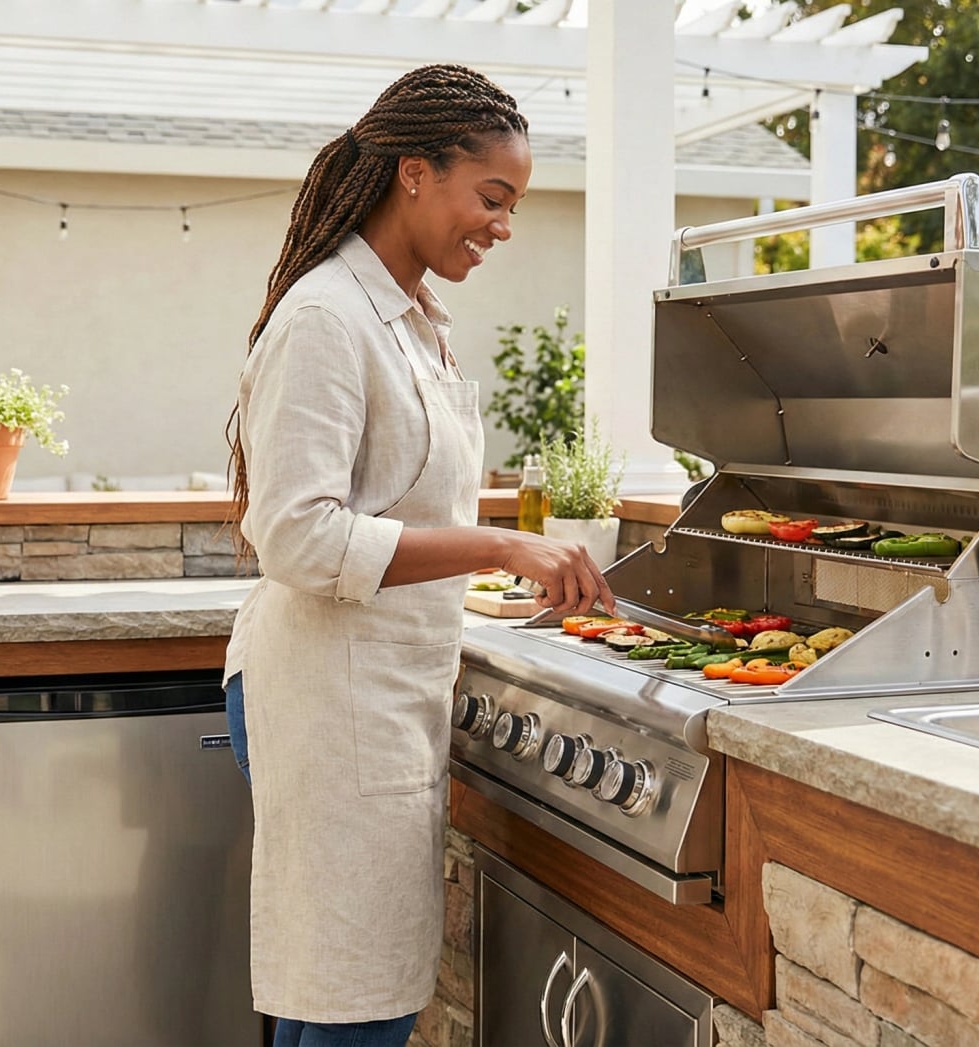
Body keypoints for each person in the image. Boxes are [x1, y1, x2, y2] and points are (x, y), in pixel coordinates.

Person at [221, 64, 614, 1047]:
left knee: (343, 989)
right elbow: (297, 534)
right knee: (358, 1000)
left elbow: (394, 498)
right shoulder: (327, 318)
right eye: (493, 197)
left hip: (379, 694)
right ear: (413, 173)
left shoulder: (406, 319)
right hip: (331, 700)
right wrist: (499, 545)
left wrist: (497, 564)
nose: (504, 227)